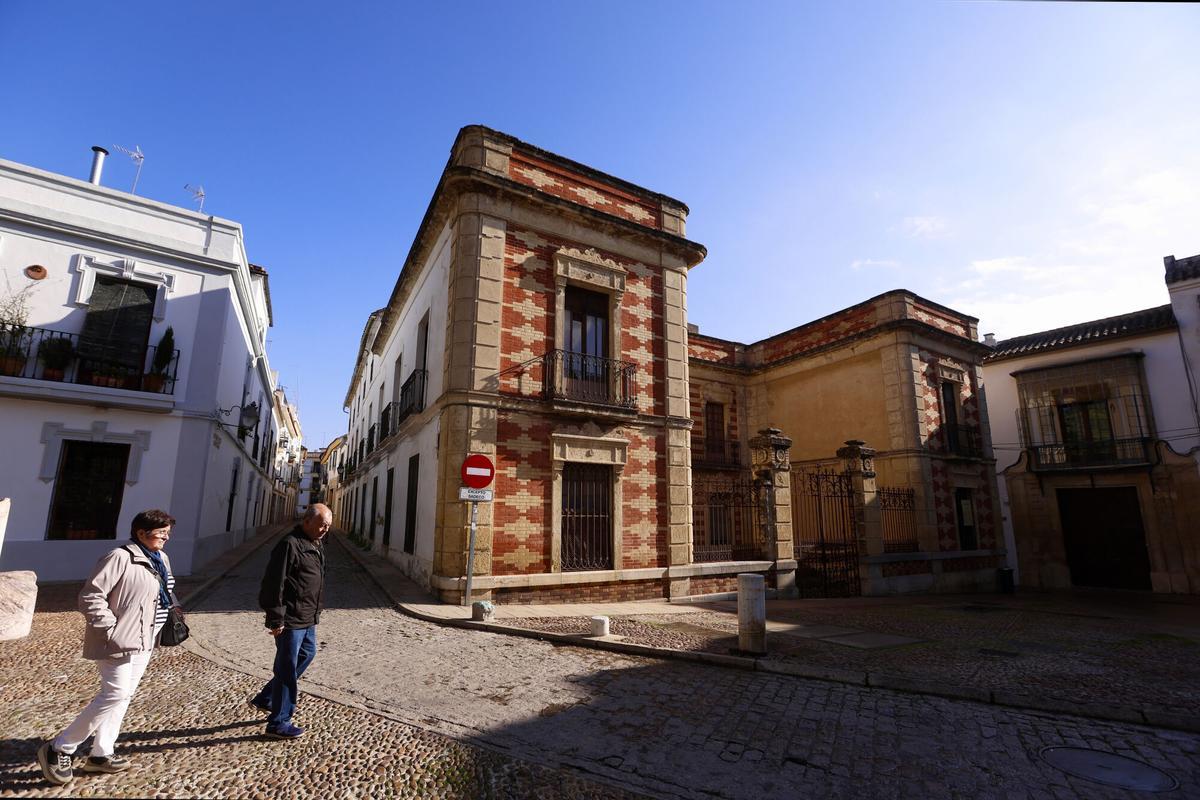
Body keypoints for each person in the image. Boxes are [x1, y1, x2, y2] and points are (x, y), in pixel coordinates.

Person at [37, 510, 177, 786]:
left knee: (123, 697)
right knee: (114, 694)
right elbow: (90, 596)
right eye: (161, 532)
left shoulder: (161, 558)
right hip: (119, 639)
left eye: (167, 533)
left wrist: (174, 607)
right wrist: (110, 628)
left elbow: (165, 590)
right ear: (140, 533)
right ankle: (59, 748)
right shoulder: (119, 556)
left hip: (146, 639)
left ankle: (101, 753)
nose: (165, 537)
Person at [249, 503, 331, 739]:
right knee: (286, 669)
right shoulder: (290, 544)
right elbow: (274, 583)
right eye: (322, 524)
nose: (325, 529)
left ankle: (267, 697)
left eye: (328, 526)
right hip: (291, 618)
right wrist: (276, 619)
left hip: (307, 617)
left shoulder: (315, 543)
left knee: (307, 654)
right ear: (307, 521)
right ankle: (279, 722)